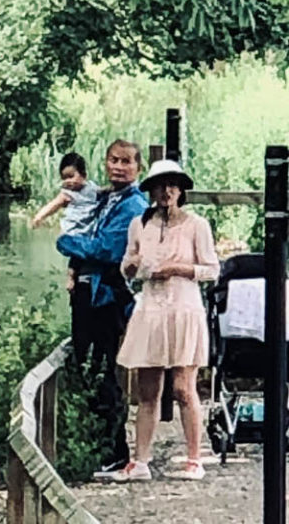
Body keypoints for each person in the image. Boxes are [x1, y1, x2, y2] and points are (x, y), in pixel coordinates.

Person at [100, 158, 219, 481]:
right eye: (160, 186)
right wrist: (133, 265)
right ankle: (140, 461)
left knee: (183, 386)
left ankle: (194, 458)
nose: (166, 191)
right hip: (152, 306)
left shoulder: (197, 224)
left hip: (183, 306)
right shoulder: (140, 224)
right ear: (151, 190)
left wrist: (178, 269)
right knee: (147, 388)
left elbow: (211, 269)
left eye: (172, 185)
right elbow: (128, 264)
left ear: (181, 190)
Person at [56, 140, 150, 473]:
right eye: (114, 160)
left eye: (127, 161)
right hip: (89, 293)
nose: (119, 167)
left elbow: (107, 249)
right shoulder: (107, 198)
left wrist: (65, 242)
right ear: (105, 163)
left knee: (102, 369)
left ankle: (114, 452)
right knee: (88, 366)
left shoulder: (133, 205)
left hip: (106, 297)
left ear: (138, 167)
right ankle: (96, 446)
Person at [32, 152, 102, 360]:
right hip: (75, 231)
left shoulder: (93, 189)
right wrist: (39, 216)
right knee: (75, 257)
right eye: (64, 177)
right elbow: (53, 205)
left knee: (82, 253)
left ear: (84, 174)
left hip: (89, 230)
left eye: (72, 176)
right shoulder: (67, 193)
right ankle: (71, 275)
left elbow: (105, 193)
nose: (68, 182)